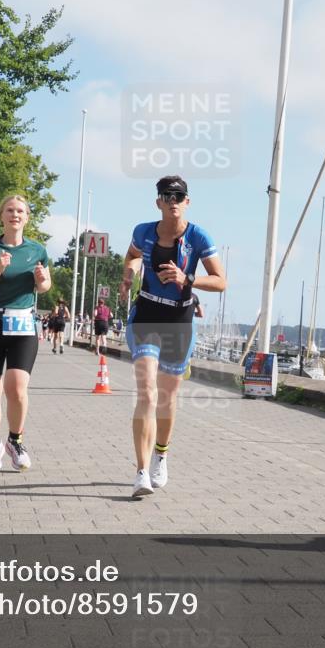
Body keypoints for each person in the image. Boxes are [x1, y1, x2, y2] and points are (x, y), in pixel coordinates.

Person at [119, 175, 226, 497]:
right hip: (147, 316)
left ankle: (160, 456)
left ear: (187, 202)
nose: (173, 201)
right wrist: (129, 274)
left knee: (166, 399)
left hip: (179, 321)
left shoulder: (198, 236)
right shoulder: (143, 231)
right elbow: (132, 256)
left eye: (179, 196)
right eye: (167, 196)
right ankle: (140, 471)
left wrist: (187, 278)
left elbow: (221, 281)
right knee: (148, 394)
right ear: (158, 202)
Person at [0, 194, 51, 471]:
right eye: (10, 210)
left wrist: (42, 282)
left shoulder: (37, 250)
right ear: (1, 215)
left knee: (16, 387)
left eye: (20, 211)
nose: (15, 215)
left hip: (23, 324)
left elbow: (45, 285)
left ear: (27, 217)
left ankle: (15, 440)